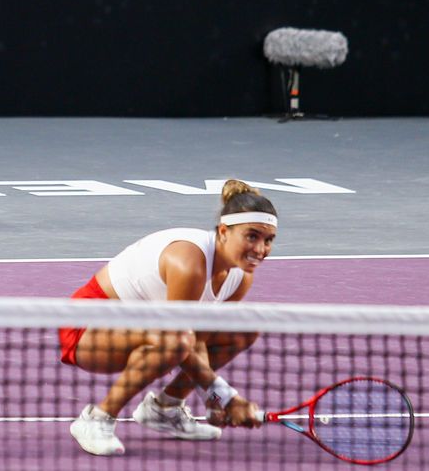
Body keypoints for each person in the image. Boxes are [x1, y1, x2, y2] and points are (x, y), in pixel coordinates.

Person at [60, 179, 276, 456]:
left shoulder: (240, 277)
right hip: (88, 327)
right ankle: (96, 419)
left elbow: (200, 336)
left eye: (268, 240)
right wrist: (225, 397)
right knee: (175, 342)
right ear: (224, 231)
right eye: (252, 236)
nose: (260, 249)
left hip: (143, 330)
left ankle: (165, 409)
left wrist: (210, 400)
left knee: (243, 330)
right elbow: (178, 340)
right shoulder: (189, 263)